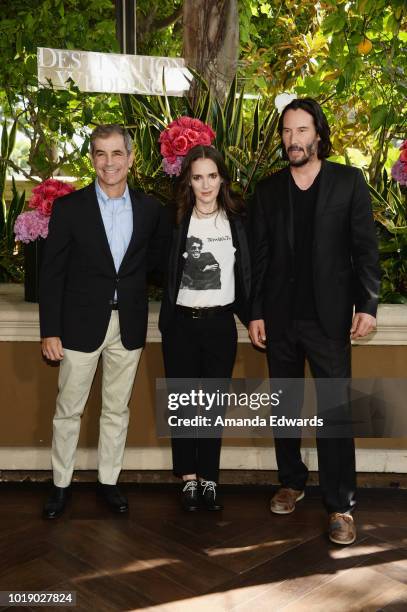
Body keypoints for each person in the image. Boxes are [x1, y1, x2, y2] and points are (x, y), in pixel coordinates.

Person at [249, 98, 380, 545]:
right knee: (284, 407)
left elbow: (365, 249)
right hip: (280, 319)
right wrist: (256, 313)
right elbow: (258, 260)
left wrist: (368, 305)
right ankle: (291, 481)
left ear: (318, 134)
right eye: (287, 131)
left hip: (329, 321)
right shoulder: (267, 191)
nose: (293, 140)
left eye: (302, 130)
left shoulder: (348, 182)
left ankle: (340, 505)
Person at [40, 124, 169, 519]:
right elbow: (52, 274)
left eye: (117, 154)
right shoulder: (70, 208)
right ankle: (60, 485)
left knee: (117, 409)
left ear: (131, 158)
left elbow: (157, 263)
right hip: (79, 325)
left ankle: (108, 482)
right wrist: (51, 330)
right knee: (68, 409)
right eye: (100, 153)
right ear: (92, 158)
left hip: (127, 324)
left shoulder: (150, 210)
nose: (109, 162)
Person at [159, 144, 251, 511]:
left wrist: (256, 315)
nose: (206, 184)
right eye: (198, 177)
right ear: (189, 182)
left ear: (222, 178)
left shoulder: (237, 220)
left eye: (212, 176)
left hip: (219, 326)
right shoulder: (176, 220)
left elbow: (248, 274)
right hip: (180, 325)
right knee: (183, 404)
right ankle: (188, 478)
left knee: (211, 406)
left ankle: (209, 478)